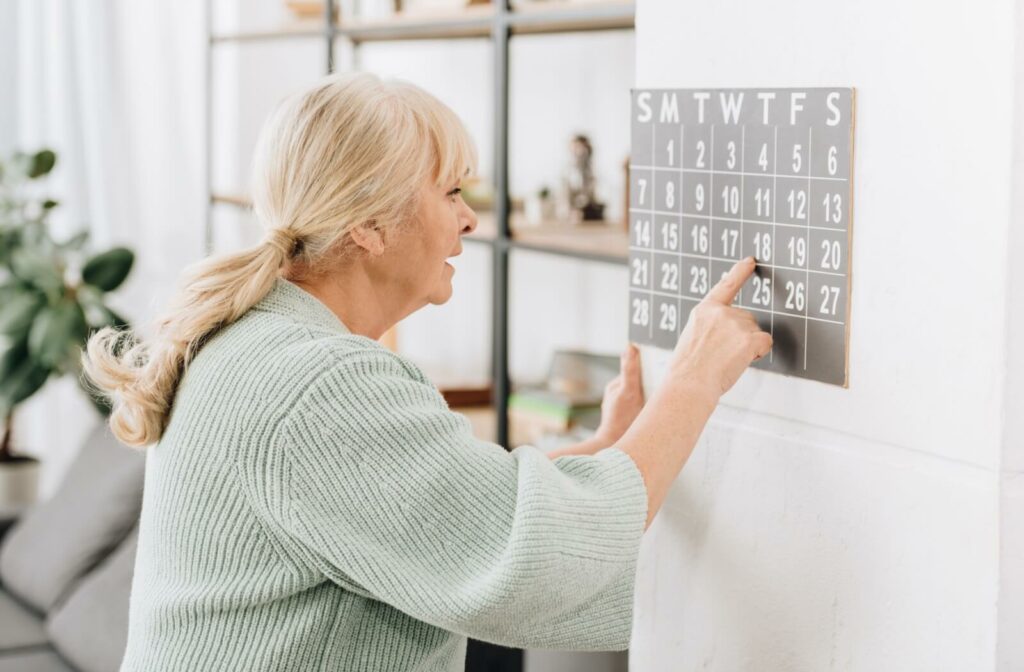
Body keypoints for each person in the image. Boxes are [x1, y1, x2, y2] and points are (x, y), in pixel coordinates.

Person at [83, 72, 771, 671]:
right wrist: (693, 381)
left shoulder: (258, 343)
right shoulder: (319, 386)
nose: (470, 220)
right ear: (371, 225)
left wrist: (607, 451)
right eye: (450, 191)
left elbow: (442, 515)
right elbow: (524, 564)